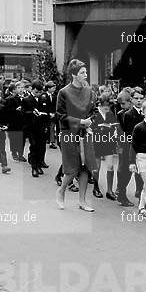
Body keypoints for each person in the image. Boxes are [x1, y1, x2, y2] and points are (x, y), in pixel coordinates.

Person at [55, 60, 96, 212]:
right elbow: (60, 115)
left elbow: (94, 110)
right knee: (72, 168)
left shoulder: (89, 91)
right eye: (82, 73)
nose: (85, 75)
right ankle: (61, 191)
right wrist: (80, 121)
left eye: (86, 72)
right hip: (68, 133)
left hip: (85, 133)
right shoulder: (63, 92)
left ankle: (82, 201)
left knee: (85, 168)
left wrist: (90, 121)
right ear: (74, 74)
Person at [91, 94, 119, 200]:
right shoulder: (94, 113)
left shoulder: (110, 113)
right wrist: (101, 128)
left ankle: (109, 190)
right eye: (105, 105)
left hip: (108, 143)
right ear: (100, 104)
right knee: (96, 167)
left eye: (109, 105)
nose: (107, 107)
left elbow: (114, 127)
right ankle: (96, 187)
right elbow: (90, 128)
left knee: (110, 166)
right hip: (96, 143)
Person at [23, 80, 52, 177]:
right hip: (31, 127)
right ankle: (34, 167)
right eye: (36, 92)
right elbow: (23, 113)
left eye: (40, 92)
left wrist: (46, 120)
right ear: (32, 89)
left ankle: (39, 164)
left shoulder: (43, 98)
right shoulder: (26, 99)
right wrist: (31, 112)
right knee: (34, 146)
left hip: (42, 126)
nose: (38, 94)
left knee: (41, 146)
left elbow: (47, 112)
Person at [115, 90, 136, 207]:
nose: (121, 107)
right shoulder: (120, 114)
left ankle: (120, 190)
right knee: (124, 170)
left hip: (133, 145)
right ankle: (121, 194)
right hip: (125, 145)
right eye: (120, 104)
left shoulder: (135, 113)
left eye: (123, 104)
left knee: (127, 171)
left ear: (130, 101)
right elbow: (119, 130)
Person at [5, 81, 26, 162]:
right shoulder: (10, 99)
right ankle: (14, 152)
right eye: (19, 88)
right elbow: (7, 111)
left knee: (22, 138)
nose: (21, 89)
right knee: (14, 138)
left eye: (22, 88)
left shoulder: (26, 98)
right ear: (15, 89)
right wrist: (15, 110)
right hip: (13, 122)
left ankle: (21, 154)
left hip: (23, 122)